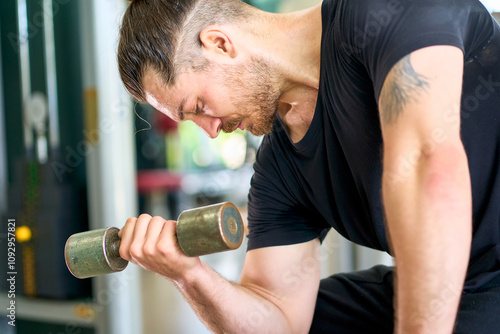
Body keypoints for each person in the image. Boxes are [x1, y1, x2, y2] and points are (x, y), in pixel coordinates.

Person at [116, 0, 500, 332]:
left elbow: (427, 166)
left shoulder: (380, 12)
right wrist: (190, 276)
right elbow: (276, 316)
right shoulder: (280, 167)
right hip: (468, 282)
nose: (211, 132)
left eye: (198, 107)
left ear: (220, 44)